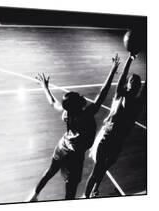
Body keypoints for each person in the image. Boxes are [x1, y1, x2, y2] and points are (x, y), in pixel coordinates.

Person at [27, 54, 121, 201]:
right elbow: (103, 92)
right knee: (70, 190)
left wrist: (45, 87)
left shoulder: (67, 113)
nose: (80, 95)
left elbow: (53, 102)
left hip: (63, 146)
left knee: (50, 171)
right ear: (78, 105)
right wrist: (113, 69)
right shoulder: (87, 114)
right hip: (74, 157)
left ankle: (34, 196)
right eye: (78, 96)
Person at [85, 53, 147, 198]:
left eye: (137, 82)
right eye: (132, 80)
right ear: (128, 83)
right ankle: (85, 197)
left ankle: (94, 189)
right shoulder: (120, 94)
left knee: (104, 168)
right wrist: (130, 59)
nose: (134, 82)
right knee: (97, 170)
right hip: (106, 137)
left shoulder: (138, 103)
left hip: (118, 141)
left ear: (139, 87)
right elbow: (123, 75)